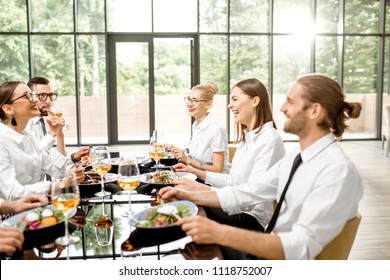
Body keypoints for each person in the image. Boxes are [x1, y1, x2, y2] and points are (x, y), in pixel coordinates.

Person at [160, 73, 364, 260]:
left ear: (314, 111)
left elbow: (300, 247)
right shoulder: (298, 156)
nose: (282, 108)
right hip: (269, 245)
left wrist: (220, 234)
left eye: (290, 102)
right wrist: (188, 195)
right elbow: (247, 191)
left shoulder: (337, 171)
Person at [172, 78, 285, 234]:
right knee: (181, 202)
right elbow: (232, 180)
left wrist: (199, 192)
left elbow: (251, 195)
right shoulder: (248, 138)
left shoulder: (269, 140)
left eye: (235, 99)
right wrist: (196, 182)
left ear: (255, 101)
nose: (229, 105)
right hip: (239, 208)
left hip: (253, 219)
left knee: (187, 208)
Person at [0, 81, 84, 200]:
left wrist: (60, 135)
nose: (35, 100)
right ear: (8, 109)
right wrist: (59, 185)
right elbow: (12, 192)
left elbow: (57, 171)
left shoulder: (29, 137)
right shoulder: (2, 142)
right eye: (27, 96)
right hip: (12, 216)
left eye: (33, 95)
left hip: (36, 209)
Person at [26, 77, 90, 170]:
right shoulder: (24, 125)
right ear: (31, 97)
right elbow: (33, 159)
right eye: (42, 95)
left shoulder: (43, 122)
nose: (48, 101)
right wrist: (52, 133)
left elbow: (49, 159)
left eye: (50, 95)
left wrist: (74, 157)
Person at [171, 81, 230, 175]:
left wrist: (188, 160)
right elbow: (199, 154)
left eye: (195, 100)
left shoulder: (216, 129)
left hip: (215, 183)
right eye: (189, 99)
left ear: (208, 105)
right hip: (199, 176)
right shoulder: (196, 125)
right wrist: (181, 151)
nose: (189, 104)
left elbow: (218, 170)